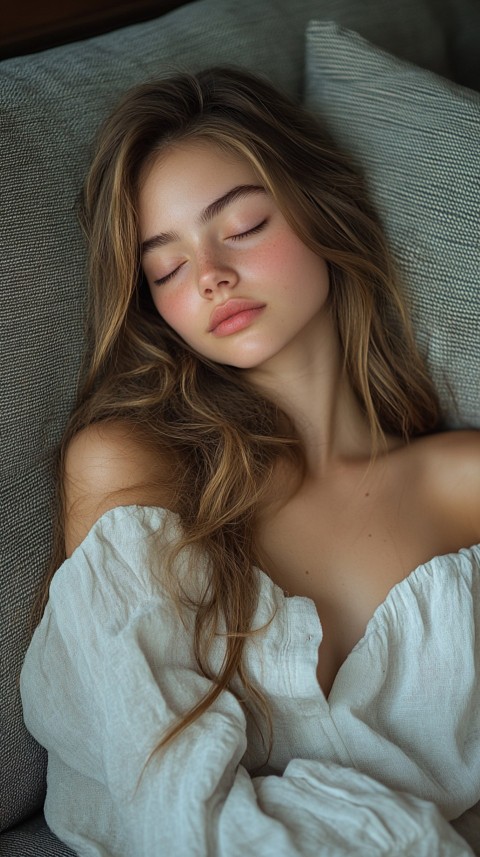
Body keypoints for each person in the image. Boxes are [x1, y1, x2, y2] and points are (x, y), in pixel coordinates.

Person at [20, 66, 480, 856]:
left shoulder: (462, 483)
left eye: (241, 225)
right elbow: (156, 790)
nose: (209, 275)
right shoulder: (133, 469)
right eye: (165, 267)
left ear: (320, 210)